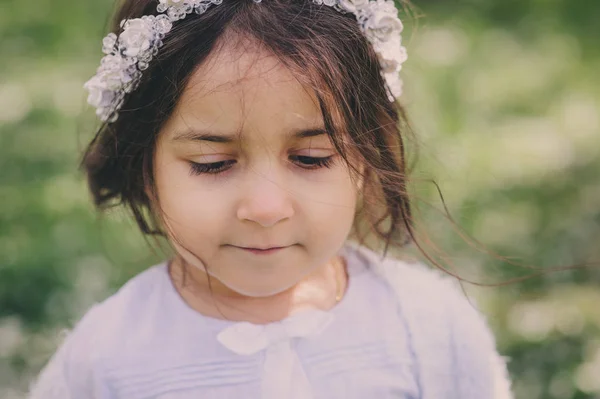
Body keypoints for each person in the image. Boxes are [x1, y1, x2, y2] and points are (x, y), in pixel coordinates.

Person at [29, 0, 514, 398]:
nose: (265, 208)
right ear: (144, 166)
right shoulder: (105, 359)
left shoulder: (429, 328)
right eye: (212, 164)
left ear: (365, 158)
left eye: (311, 158)